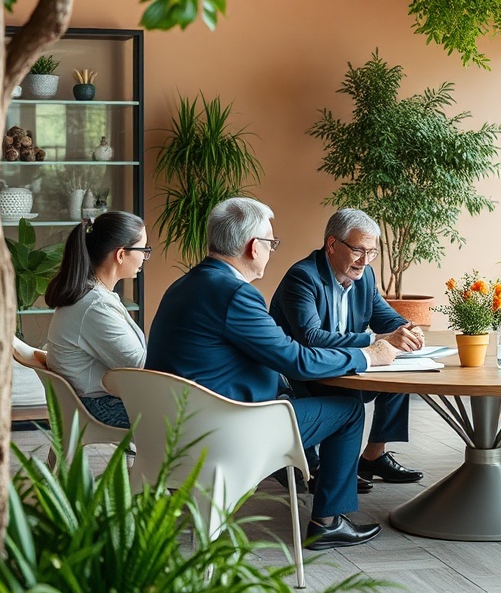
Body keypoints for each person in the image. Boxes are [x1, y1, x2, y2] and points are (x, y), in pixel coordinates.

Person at [146, 197, 400, 550]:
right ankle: (327, 521)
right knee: (347, 409)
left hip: (171, 425)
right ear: (254, 247)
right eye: (270, 243)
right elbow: (295, 358)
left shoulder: (187, 283)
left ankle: (300, 467)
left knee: (304, 397)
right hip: (227, 430)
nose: (271, 251)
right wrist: (368, 356)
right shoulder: (235, 294)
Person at [269, 208, 425, 486]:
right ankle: (328, 470)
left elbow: (384, 316)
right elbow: (311, 338)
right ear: (332, 245)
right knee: (353, 387)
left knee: (400, 374)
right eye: (358, 250)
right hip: (307, 373)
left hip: (345, 364)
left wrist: (407, 328)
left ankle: (372, 458)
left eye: (372, 252)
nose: (365, 260)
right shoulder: (303, 277)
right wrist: (376, 341)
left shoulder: (364, 277)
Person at [45, 212, 149, 428]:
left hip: (88, 401)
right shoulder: (95, 306)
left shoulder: (92, 295)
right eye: (144, 250)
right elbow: (139, 367)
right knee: (187, 414)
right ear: (121, 255)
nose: (145, 257)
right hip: (98, 406)